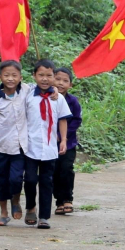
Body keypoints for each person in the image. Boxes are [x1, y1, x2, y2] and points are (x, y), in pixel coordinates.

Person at [24, 59, 72, 229]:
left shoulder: (57, 98)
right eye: (41, 75)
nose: (45, 79)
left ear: (54, 76)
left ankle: (44, 217)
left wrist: (64, 140)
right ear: (34, 76)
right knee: (29, 179)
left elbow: (62, 119)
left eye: (49, 76)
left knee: (46, 182)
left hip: (50, 147)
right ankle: (30, 206)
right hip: (30, 146)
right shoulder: (28, 94)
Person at [0, 60, 28, 226]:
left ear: (20, 77)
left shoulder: (26, 91)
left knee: (16, 179)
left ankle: (15, 200)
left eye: (14, 75)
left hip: (20, 145)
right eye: (6, 75)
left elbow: (43, 87)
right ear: (0, 77)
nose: (10, 78)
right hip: (1, 145)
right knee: (1, 179)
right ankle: (3, 213)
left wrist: (52, 90)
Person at [53, 67, 82, 215]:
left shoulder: (73, 101)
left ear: (70, 85)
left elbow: (77, 120)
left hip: (68, 143)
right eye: (57, 79)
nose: (60, 83)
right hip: (50, 143)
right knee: (54, 171)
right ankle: (59, 201)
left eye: (65, 81)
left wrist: (63, 134)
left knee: (66, 169)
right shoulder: (47, 98)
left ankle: (68, 199)